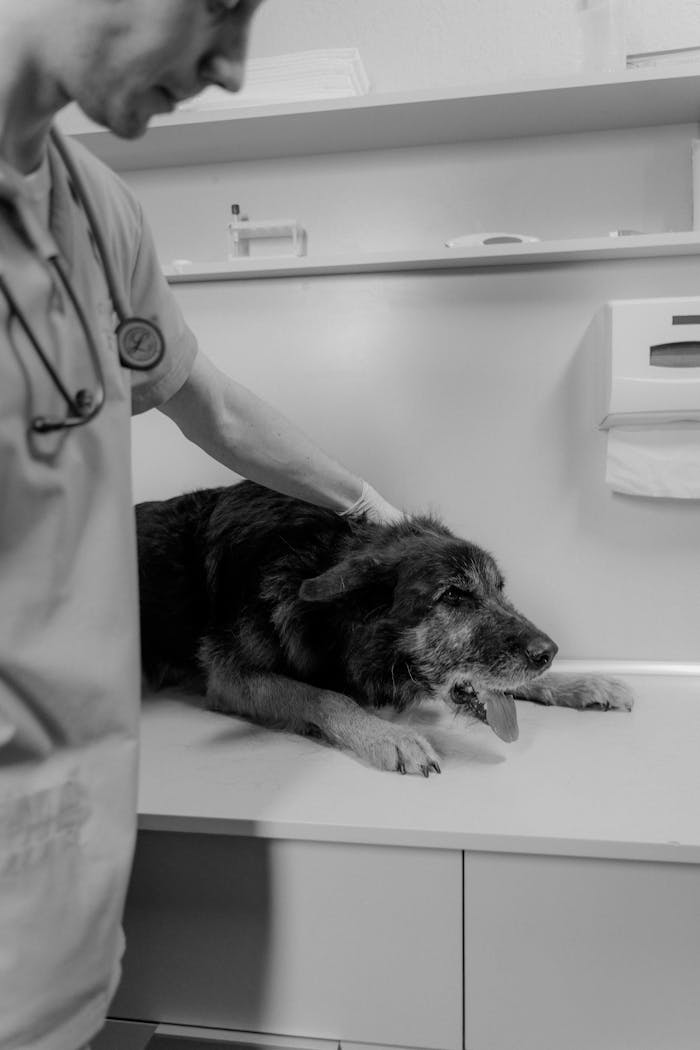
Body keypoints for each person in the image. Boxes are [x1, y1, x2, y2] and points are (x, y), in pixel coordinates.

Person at [0, 3, 403, 1049]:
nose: (231, 66)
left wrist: (369, 511)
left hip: (69, 854)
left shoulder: (96, 212)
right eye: (221, 5)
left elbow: (209, 406)